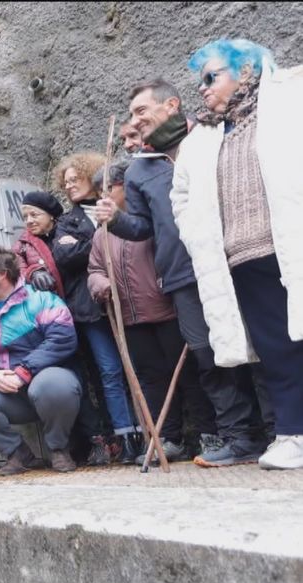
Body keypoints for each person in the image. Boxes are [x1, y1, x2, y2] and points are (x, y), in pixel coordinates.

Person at [94, 78, 268, 467]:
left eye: (141, 111)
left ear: (171, 105)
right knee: (209, 358)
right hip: (181, 276)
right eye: (131, 114)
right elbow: (143, 227)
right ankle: (240, 439)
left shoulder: (210, 138)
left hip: (229, 260)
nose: (134, 121)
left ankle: (278, 432)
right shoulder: (139, 170)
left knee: (256, 345)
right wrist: (117, 219)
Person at [170, 39, 303, 469]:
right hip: (243, 258)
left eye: (212, 77)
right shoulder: (203, 137)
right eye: (201, 82)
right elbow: (182, 196)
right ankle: (294, 435)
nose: (204, 90)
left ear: (246, 71)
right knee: (277, 352)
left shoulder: (289, 102)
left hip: (292, 244)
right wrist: (196, 232)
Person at [89, 160, 216, 465]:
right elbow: (94, 268)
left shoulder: (148, 219)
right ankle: (168, 439)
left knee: (187, 374)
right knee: (150, 381)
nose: (102, 197)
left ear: (127, 188)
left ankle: (209, 434)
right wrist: (101, 284)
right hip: (131, 319)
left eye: (109, 188)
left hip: (166, 309)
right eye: (98, 192)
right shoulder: (100, 233)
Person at [0, 246, 81, 476]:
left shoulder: (42, 300)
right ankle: (18, 453)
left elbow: (62, 338)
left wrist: (24, 371)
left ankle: (59, 447)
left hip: (44, 388)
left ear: (2, 273)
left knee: (54, 383)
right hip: (9, 395)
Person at [54, 153, 143, 463]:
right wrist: (101, 234)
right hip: (90, 307)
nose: (68, 187)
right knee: (109, 371)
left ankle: (155, 430)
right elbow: (65, 256)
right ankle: (126, 435)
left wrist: (97, 233)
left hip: (132, 297)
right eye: (64, 183)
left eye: (74, 179)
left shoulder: (118, 204)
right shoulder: (67, 220)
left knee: (141, 365)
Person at [17, 191, 114, 466]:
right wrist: (32, 273)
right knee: (76, 380)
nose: (29, 221)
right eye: (25, 216)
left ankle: (117, 437)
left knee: (104, 374)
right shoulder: (25, 244)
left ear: (51, 215)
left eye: (34, 214)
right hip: (57, 326)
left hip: (84, 312)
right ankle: (91, 441)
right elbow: (15, 264)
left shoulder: (68, 228)